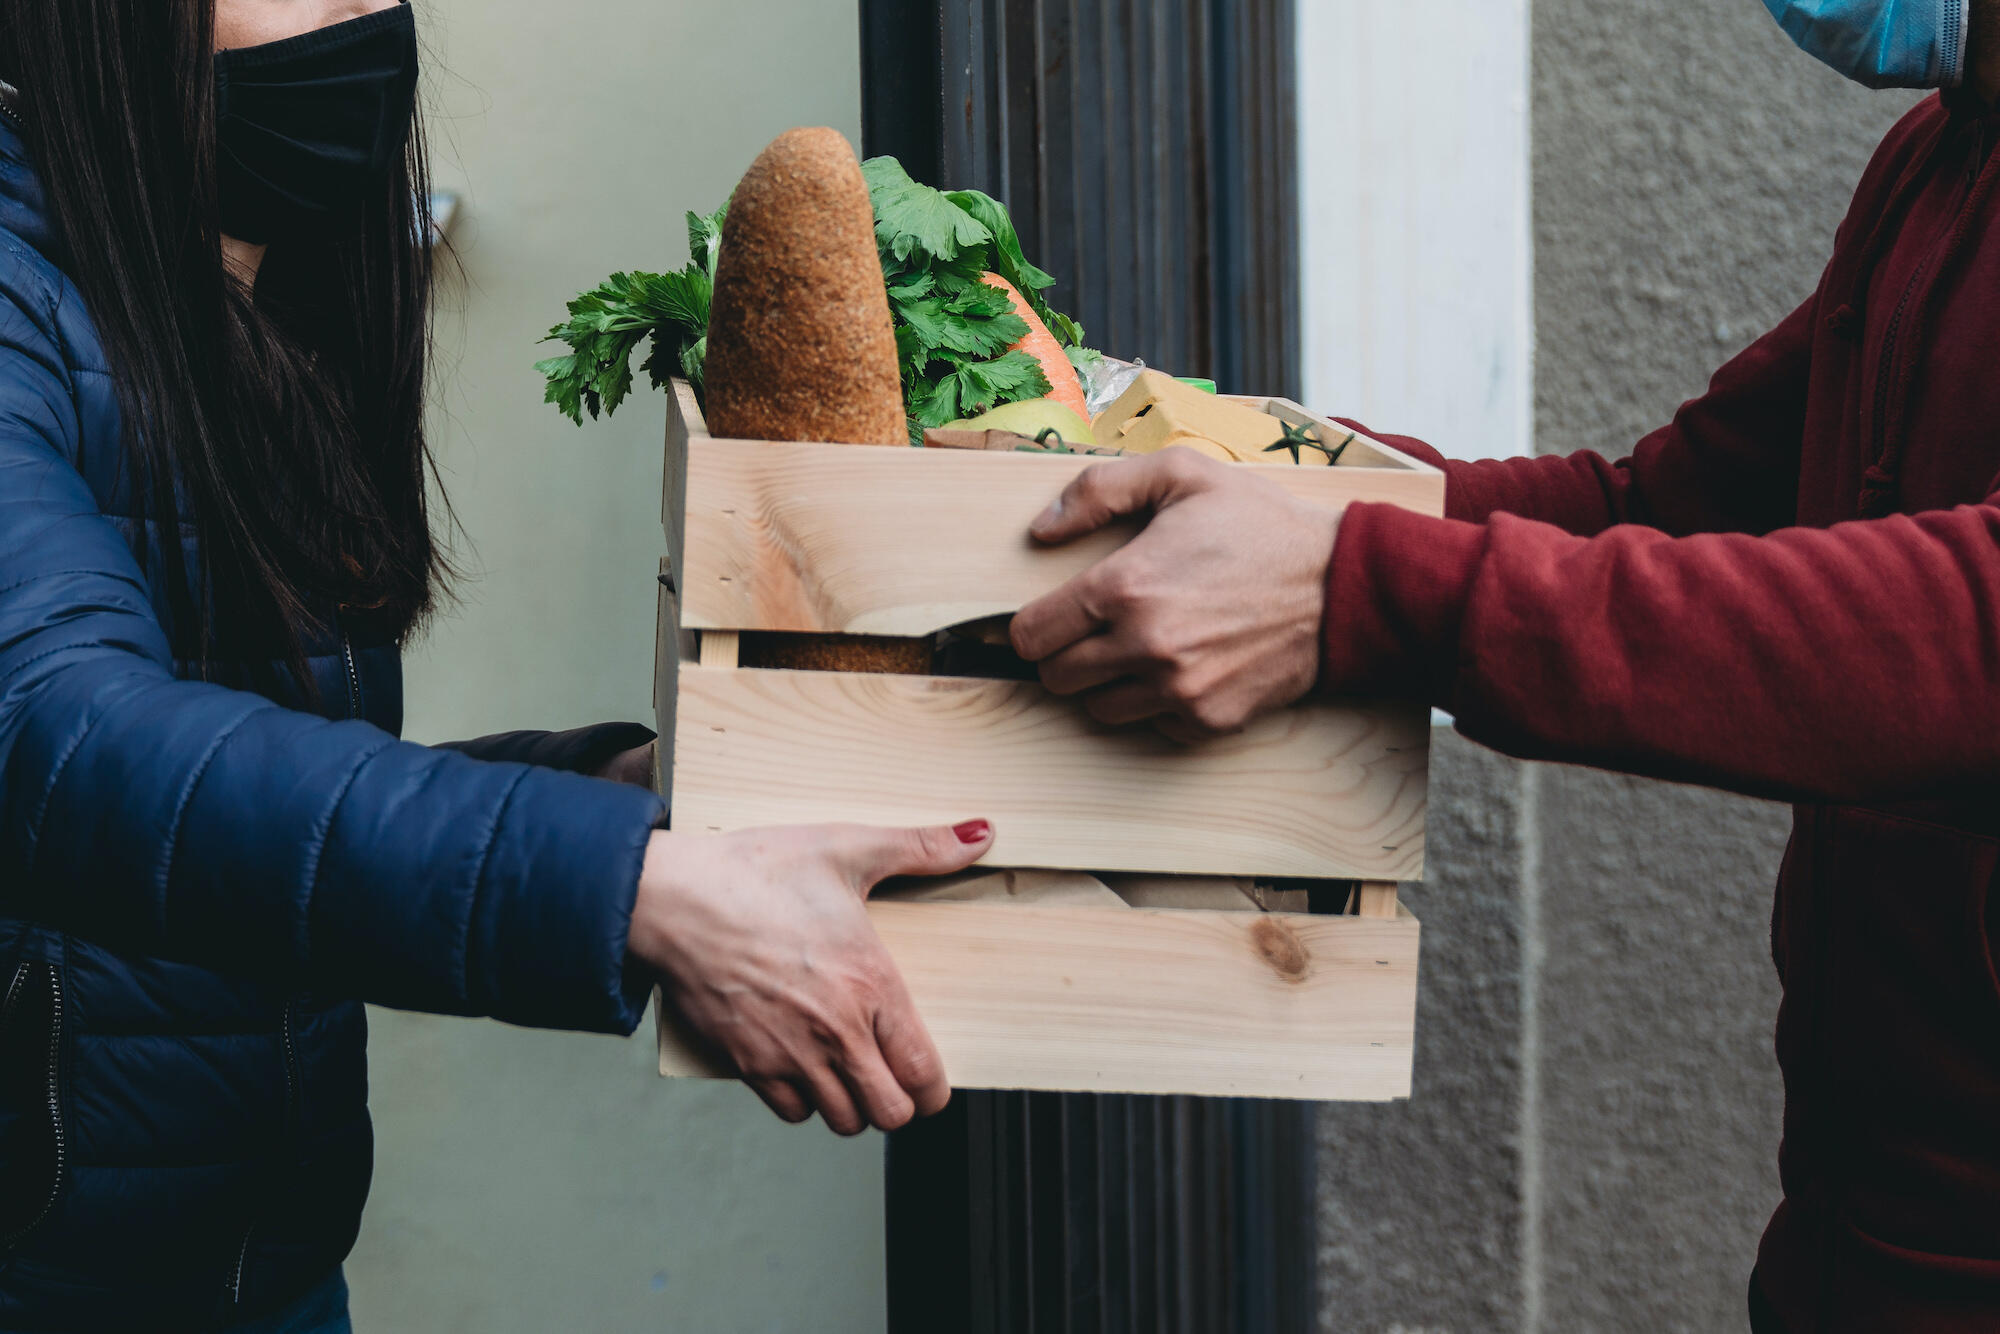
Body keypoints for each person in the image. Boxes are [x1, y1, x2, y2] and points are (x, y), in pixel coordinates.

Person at [0, 2, 991, 1329]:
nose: (361, 19)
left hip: (260, 1267)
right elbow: (67, 740)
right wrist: (634, 887)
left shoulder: (225, 301)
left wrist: (627, 799)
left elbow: (247, 804)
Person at [1012, 2, 2000, 1331]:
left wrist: (1351, 587)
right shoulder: (1937, 166)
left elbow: (1960, 634)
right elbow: (1659, 503)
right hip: (1854, 1241)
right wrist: (1256, 468)